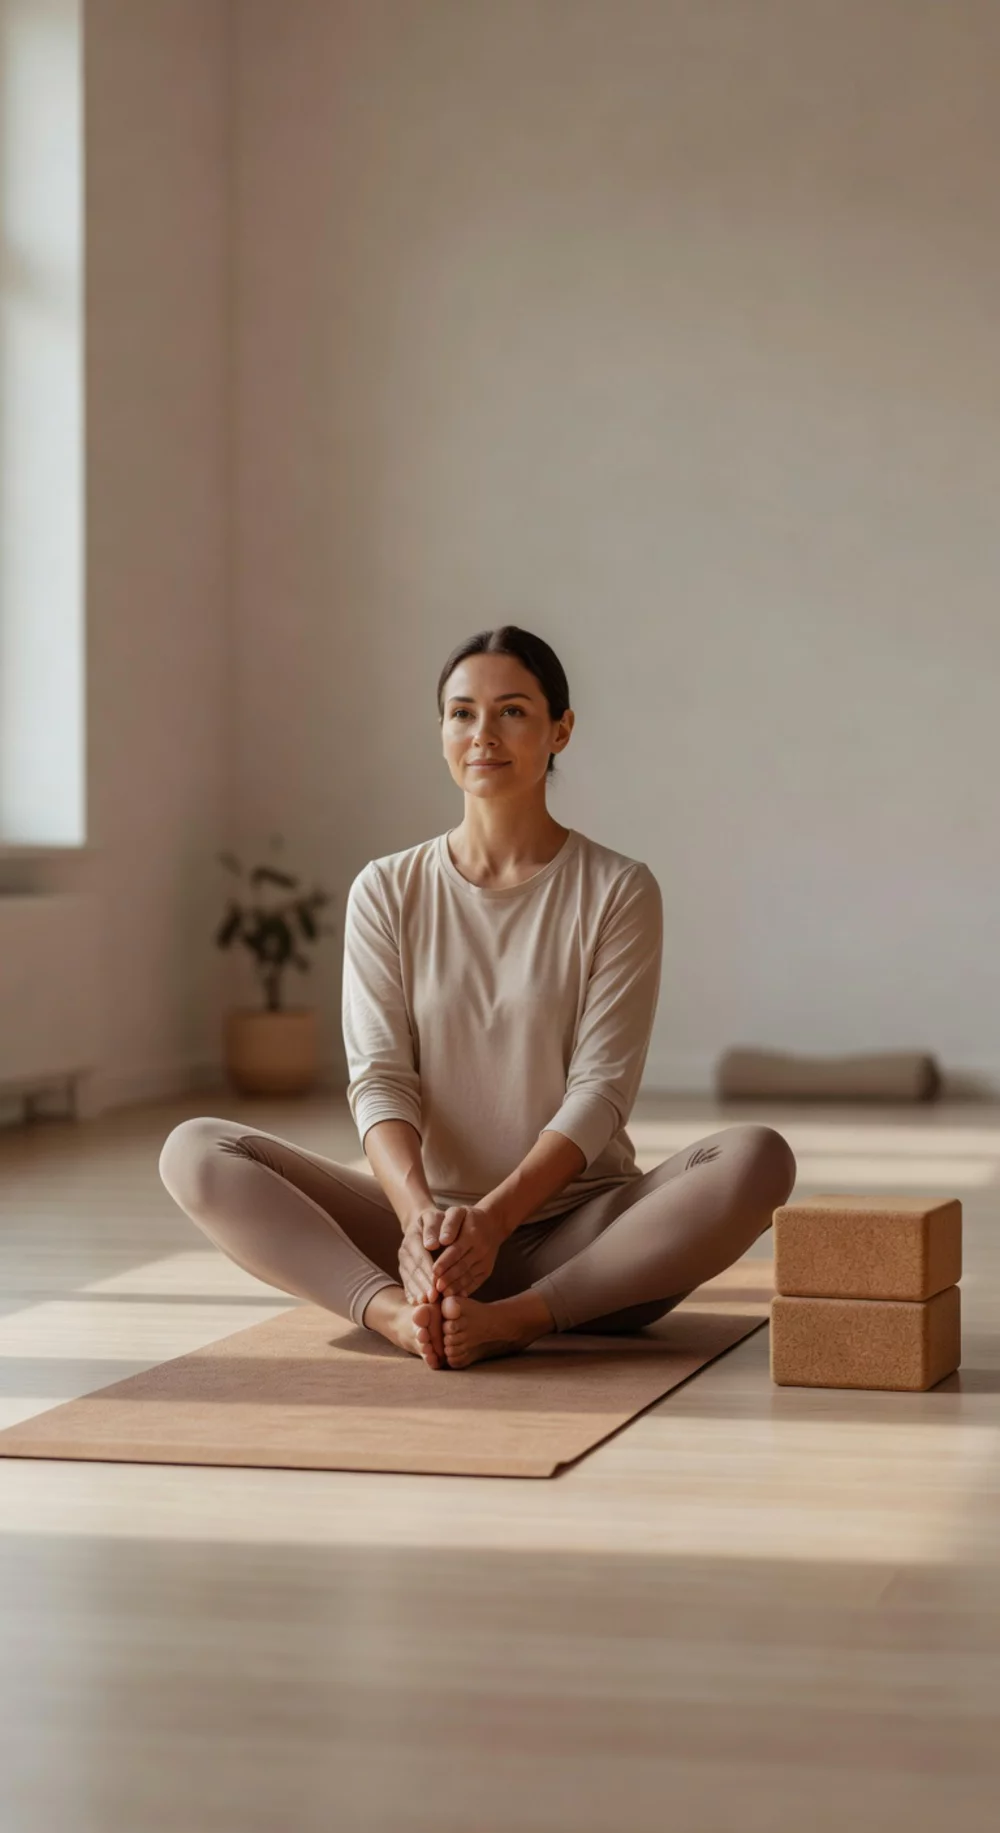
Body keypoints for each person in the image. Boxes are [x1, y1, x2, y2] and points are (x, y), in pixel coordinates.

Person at [159, 625, 796, 1371]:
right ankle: (395, 1313)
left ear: (560, 729)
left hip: (585, 1244)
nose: (483, 734)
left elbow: (600, 1092)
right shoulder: (388, 889)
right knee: (196, 1150)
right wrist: (419, 1221)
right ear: (441, 731)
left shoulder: (619, 889)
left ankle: (520, 1318)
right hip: (426, 1230)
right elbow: (381, 1078)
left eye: (513, 711)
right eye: (461, 713)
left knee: (758, 1157)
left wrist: (495, 1223)